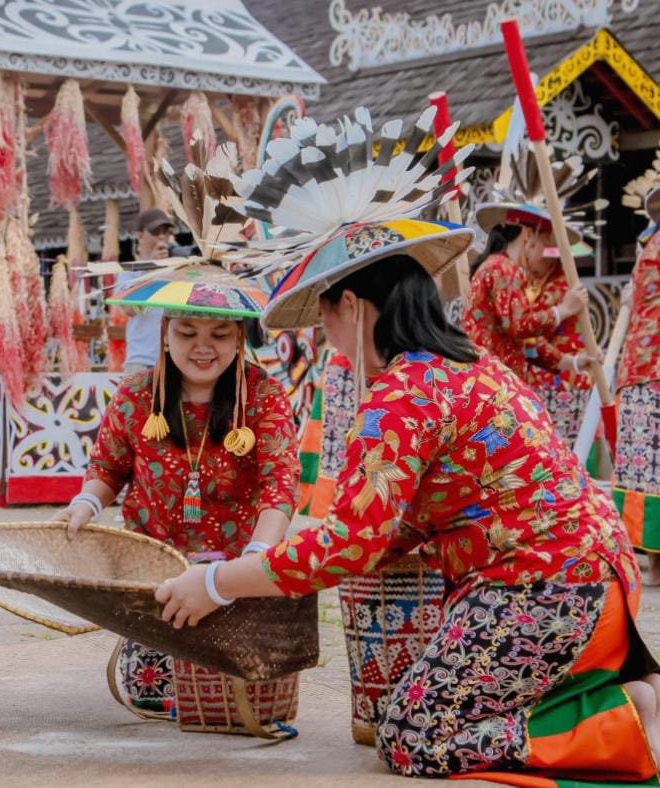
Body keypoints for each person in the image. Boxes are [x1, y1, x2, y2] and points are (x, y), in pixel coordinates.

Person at [161, 109, 658, 783]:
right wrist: (277, 559)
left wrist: (217, 581)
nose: (327, 336)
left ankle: (617, 723)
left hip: (542, 590)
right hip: (588, 579)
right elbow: (390, 526)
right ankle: (609, 701)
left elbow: (348, 546)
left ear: (352, 307)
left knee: (413, 738)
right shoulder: (469, 366)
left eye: (325, 314)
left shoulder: (402, 395)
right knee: (424, 720)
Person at [57, 262, 298, 713]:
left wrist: (254, 560)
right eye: (187, 332)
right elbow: (108, 468)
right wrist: (86, 504)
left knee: (226, 698)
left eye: (220, 334)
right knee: (153, 695)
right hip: (155, 580)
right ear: (166, 333)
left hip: (229, 583)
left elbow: (279, 484)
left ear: (240, 338)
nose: (203, 347)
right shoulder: (135, 394)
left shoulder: (263, 394)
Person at [464, 216, 590, 381]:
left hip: (492, 374)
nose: (546, 253)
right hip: (496, 377)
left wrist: (573, 362)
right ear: (529, 235)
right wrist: (563, 310)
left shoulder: (499, 265)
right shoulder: (504, 267)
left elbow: (527, 340)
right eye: (546, 244)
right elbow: (519, 326)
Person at [615, 185, 660, 587]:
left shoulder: (649, 245)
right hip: (649, 366)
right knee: (648, 468)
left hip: (642, 366)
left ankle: (653, 566)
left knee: (645, 468)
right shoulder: (651, 244)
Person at [517, 244, 593, 442]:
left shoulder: (558, 286)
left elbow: (531, 329)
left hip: (557, 382)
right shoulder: (549, 283)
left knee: (555, 448)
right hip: (566, 376)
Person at [115, 209, 174, 376]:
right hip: (142, 361)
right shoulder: (129, 272)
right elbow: (130, 309)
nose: (162, 237)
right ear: (140, 236)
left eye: (166, 232)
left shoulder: (176, 271)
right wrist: (152, 270)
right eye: (155, 232)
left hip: (174, 361)